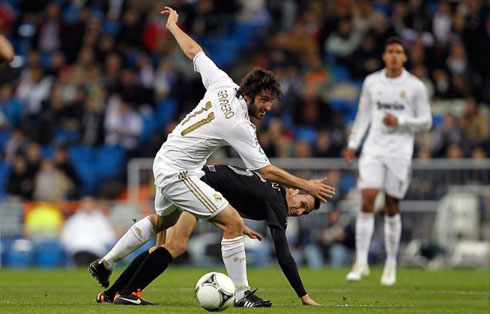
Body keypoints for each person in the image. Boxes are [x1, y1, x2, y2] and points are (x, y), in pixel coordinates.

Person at [89, 6, 334, 307]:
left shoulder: (222, 83)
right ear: (250, 94)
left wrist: (173, 26)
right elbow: (266, 171)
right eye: (265, 100)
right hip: (182, 171)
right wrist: (307, 185)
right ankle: (243, 295)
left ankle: (108, 267)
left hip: (170, 159)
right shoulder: (240, 125)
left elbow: (194, 51)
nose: (268, 108)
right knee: (227, 223)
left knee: (162, 226)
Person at [95, 164, 322, 306]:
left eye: (305, 212)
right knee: (176, 245)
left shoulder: (271, 189)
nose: (299, 212)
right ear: (292, 190)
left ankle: (112, 293)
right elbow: (283, 254)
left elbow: (232, 192)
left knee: (162, 246)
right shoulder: (277, 201)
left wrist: (236, 224)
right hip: (196, 186)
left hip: (191, 179)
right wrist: (302, 295)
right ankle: (126, 293)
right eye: (302, 204)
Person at [344, 37, 432, 286]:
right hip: (373, 149)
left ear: (404, 57)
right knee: (367, 200)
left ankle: (391, 263)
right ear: (384, 55)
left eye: (399, 52)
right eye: (390, 51)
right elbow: (364, 115)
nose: (394, 55)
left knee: (392, 206)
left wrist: (401, 122)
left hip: (400, 152)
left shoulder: (415, 86)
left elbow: (426, 120)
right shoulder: (372, 82)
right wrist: (353, 144)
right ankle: (360, 262)